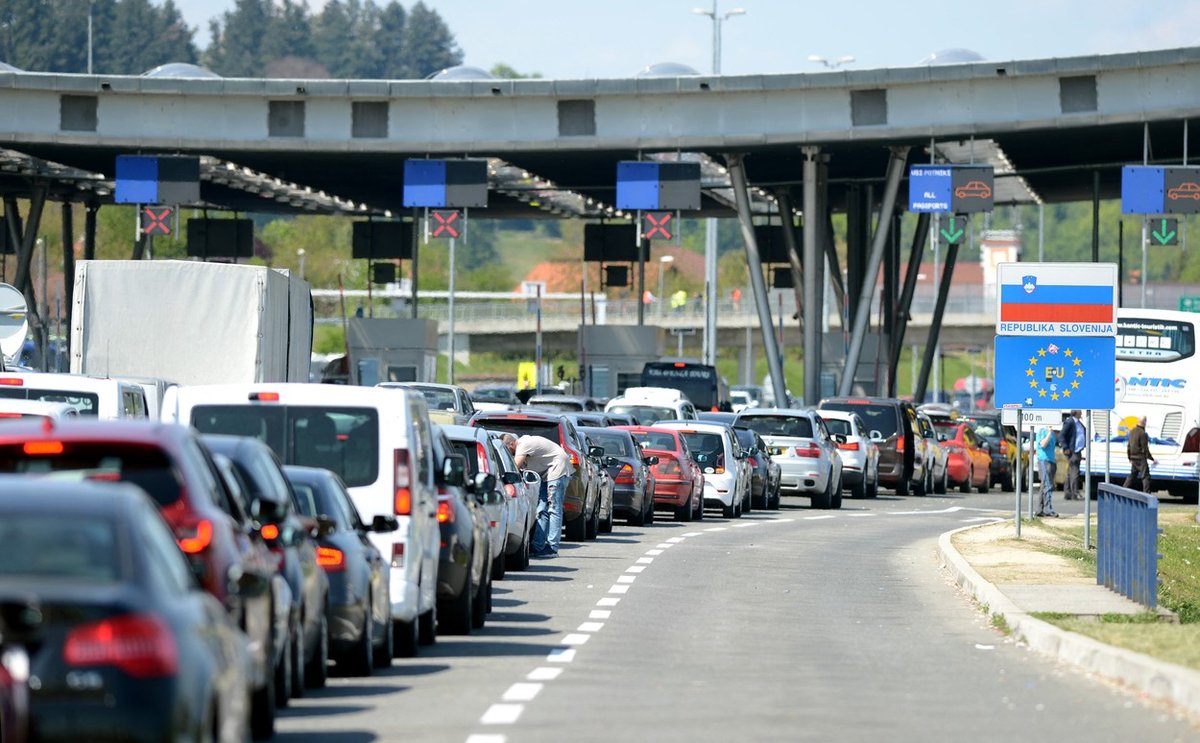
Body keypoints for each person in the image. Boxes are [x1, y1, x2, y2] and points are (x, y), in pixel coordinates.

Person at [503, 433, 573, 558]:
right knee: (541, 509)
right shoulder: (524, 444)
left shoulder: (523, 444)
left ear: (512, 444)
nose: (509, 453)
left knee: (554, 508)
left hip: (558, 470)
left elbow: (514, 468)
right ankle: (538, 546)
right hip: (547, 473)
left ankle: (552, 547)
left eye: (508, 450)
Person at [1124, 415, 1155, 493]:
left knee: (1132, 475)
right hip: (1140, 458)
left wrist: (1129, 457)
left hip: (1133, 458)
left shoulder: (1132, 431)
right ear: (1144, 422)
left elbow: (1129, 446)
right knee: (1145, 476)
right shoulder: (1143, 433)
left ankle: (1123, 490)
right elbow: (1145, 448)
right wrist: (1151, 459)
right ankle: (1146, 494)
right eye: (1146, 421)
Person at [1061, 409, 1086, 500]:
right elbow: (1062, 435)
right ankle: (1074, 492)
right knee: (1075, 472)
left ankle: (1068, 493)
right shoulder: (1070, 422)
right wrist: (1065, 447)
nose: (1081, 412)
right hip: (1073, 451)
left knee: (1070, 472)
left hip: (1078, 451)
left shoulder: (1078, 423)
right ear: (1076, 412)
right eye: (1080, 411)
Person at [1035, 424, 1059, 517]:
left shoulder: (1052, 433)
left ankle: (1039, 509)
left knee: (1044, 485)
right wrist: (1049, 433)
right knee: (1047, 484)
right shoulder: (1042, 431)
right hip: (1043, 460)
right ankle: (1048, 509)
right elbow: (1043, 444)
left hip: (1051, 460)